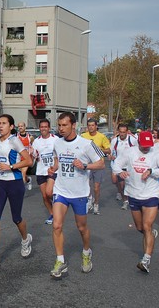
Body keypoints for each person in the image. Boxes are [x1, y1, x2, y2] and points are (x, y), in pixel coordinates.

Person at [47, 112, 104, 278]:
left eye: (65, 125)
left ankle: (86, 251)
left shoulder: (86, 144)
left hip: (79, 192)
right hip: (61, 190)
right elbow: (57, 161)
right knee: (57, 225)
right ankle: (60, 261)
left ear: (74, 125)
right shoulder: (57, 143)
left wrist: (85, 166)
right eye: (59, 125)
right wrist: (54, 168)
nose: (61, 128)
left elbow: (101, 163)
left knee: (81, 227)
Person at [111, 131, 159, 273]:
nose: (146, 148)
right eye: (144, 145)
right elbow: (116, 165)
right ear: (138, 142)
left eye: (148, 145)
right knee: (140, 228)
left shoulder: (157, 153)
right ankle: (150, 234)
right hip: (133, 193)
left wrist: (151, 171)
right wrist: (120, 172)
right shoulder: (129, 152)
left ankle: (146, 260)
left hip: (150, 194)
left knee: (147, 225)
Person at [0, 114, 33, 268]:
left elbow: (28, 161)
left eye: (4, 123)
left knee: (16, 218)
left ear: (11, 127)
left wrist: (10, 167)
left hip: (14, 183)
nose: (1, 126)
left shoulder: (14, 141)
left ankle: (25, 239)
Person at [31, 119, 59, 225]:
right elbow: (34, 156)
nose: (43, 129)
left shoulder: (55, 139)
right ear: (39, 128)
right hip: (41, 170)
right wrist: (33, 155)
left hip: (52, 170)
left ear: (49, 128)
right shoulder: (37, 141)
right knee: (44, 196)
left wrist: (56, 166)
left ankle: (59, 204)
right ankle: (52, 214)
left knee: (49, 192)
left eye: (45, 127)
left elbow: (59, 154)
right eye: (41, 127)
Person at [80, 119, 110, 215]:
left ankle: (96, 203)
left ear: (96, 126)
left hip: (98, 164)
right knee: (86, 185)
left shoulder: (102, 137)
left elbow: (108, 150)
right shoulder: (83, 136)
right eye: (89, 125)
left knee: (96, 187)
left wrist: (97, 150)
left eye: (93, 125)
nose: (91, 127)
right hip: (86, 165)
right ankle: (89, 200)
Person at [109, 124, 137, 210]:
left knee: (124, 184)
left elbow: (137, 150)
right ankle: (120, 192)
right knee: (115, 182)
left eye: (124, 132)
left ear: (127, 132)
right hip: (118, 165)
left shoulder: (132, 140)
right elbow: (111, 151)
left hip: (128, 165)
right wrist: (110, 156)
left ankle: (126, 201)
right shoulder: (114, 140)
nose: (122, 134)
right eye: (120, 132)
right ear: (118, 132)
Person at [16, 122, 35, 189]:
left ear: (25, 127)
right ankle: (28, 180)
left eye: (21, 126)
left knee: (23, 173)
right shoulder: (16, 137)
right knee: (21, 174)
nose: (20, 127)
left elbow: (34, 146)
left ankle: (21, 190)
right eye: (19, 126)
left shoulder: (30, 137)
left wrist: (33, 154)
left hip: (26, 159)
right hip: (18, 158)